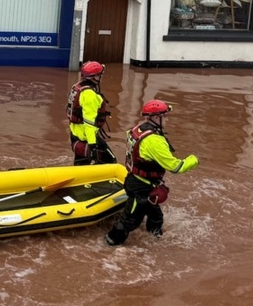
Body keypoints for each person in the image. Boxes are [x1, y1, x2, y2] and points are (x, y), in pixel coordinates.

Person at [104, 100, 199, 246]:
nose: (167, 119)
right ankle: (109, 246)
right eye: (165, 116)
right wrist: (194, 160)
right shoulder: (154, 140)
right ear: (155, 118)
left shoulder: (136, 129)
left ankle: (155, 243)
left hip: (137, 181)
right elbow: (176, 167)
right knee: (128, 221)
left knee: (156, 217)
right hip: (141, 187)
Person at [67, 61, 115, 166]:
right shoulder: (90, 95)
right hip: (86, 137)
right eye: (100, 75)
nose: (101, 77)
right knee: (111, 161)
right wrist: (93, 145)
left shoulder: (77, 87)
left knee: (81, 163)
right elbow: (89, 123)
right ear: (95, 77)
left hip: (75, 134)